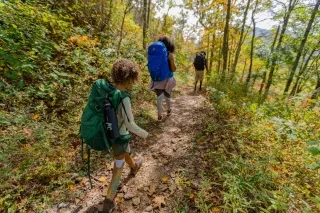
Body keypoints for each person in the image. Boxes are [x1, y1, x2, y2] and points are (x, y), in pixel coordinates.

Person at [87, 59, 149, 213]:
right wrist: (145, 134)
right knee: (118, 169)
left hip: (109, 134)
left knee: (124, 152)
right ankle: (108, 201)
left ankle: (134, 167)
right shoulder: (124, 97)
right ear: (129, 78)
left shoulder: (108, 91)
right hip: (120, 137)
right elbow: (129, 124)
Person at [149, 36, 177, 120]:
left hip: (157, 78)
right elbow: (173, 69)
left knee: (159, 96)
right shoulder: (169, 54)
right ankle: (168, 110)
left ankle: (159, 114)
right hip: (168, 78)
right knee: (167, 95)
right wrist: (171, 60)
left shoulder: (154, 53)